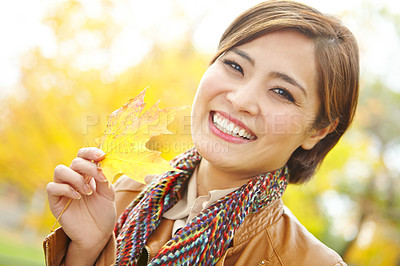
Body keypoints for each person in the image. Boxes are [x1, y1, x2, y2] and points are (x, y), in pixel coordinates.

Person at [45, 0, 359, 265]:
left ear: (317, 131)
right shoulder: (123, 195)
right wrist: (86, 250)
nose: (241, 99)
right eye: (236, 67)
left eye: (281, 91)